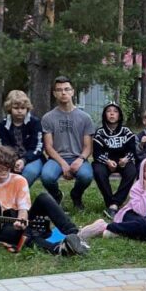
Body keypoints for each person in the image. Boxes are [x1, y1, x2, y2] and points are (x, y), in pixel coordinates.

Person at [0, 145, 89, 255]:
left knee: (43, 198)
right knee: (14, 233)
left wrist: (21, 220)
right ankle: (56, 249)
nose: (4, 168)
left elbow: (23, 208)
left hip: (17, 218)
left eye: (7, 164)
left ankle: (76, 235)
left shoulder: (19, 180)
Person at [80, 157, 146, 242]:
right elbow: (141, 212)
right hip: (133, 214)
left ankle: (118, 233)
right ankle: (106, 226)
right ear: (142, 173)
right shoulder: (137, 187)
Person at [40, 76, 95, 210]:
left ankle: (76, 195)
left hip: (79, 157)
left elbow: (88, 147)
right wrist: (63, 163)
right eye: (59, 90)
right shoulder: (48, 118)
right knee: (46, 176)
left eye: (66, 89)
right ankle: (56, 195)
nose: (63, 93)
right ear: (54, 94)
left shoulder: (85, 118)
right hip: (57, 158)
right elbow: (48, 147)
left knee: (86, 176)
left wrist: (80, 159)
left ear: (72, 92)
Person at [92, 101, 138, 218]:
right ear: (104, 115)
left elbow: (132, 151)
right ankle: (111, 202)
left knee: (132, 171)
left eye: (115, 111)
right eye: (109, 111)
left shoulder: (126, 132)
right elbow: (96, 153)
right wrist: (107, 161)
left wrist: (126, 159)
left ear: (119, 115)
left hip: (123, 161)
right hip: (105, 161)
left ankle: (115, 203)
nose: (112, 114)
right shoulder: (100, 132)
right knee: (98, 171)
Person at [0, 90, 44, 186]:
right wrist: (14, 161)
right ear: (9, 108)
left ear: (27, 108)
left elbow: (38, 147)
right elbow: (4, 147)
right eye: (16, 108)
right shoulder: (2, 125)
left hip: (33, 158)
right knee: (0, 172)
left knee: (29, 172)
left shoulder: (35, 123)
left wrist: (24, 160)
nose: (20, 111)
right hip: (10, 158)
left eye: (23, 108)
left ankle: (21, 197)